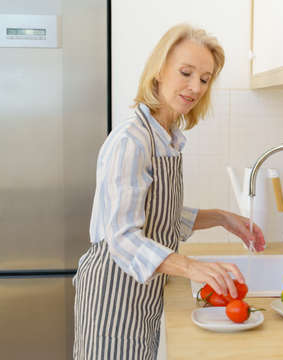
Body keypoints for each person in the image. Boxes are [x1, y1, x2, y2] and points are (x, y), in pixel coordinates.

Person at [73, 23, 265, 360]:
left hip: (143, 291)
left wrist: (221, 218)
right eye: (186, 73)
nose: (195, 87)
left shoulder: (166, 137)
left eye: (204, 79)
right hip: (112, 293)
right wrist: (192, 267)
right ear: (159, 71)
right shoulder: (131, 140)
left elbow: (158, 217)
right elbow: (123, 237)